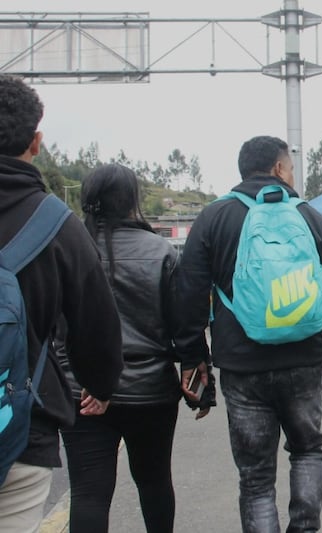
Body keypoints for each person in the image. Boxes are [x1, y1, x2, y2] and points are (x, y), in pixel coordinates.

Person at [173, 135, 322, 533]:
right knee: (308, 450)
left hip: (242, 366)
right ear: (280, 169)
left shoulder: (214, 217)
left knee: (256, 477)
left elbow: (187, 293)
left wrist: (195, 358)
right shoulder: (306, 213)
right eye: (290, 169)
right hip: (304, 360)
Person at [0, 74, 123, 532]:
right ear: (36, 142)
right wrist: (100, 385)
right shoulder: (56, 224)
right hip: (18, 428)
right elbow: (95, 324)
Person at [55, 163, 193, 532]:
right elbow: (183, 326)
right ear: (131, 200)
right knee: (154, 482)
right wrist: (195, 371)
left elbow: (55, 326)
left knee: (88, 493)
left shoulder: (69, 249)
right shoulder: (162, 252)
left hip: (79, 390)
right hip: (150, 391)